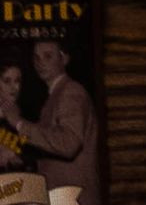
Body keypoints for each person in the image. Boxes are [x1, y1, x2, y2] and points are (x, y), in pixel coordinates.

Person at [12, 38, 99, 205]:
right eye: (36, 57)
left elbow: (68, 144)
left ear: (64, 59)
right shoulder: (54, 96)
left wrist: (18, 123)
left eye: (48, 56)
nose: (40, 63)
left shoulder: (71, 92)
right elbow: (51, 148)